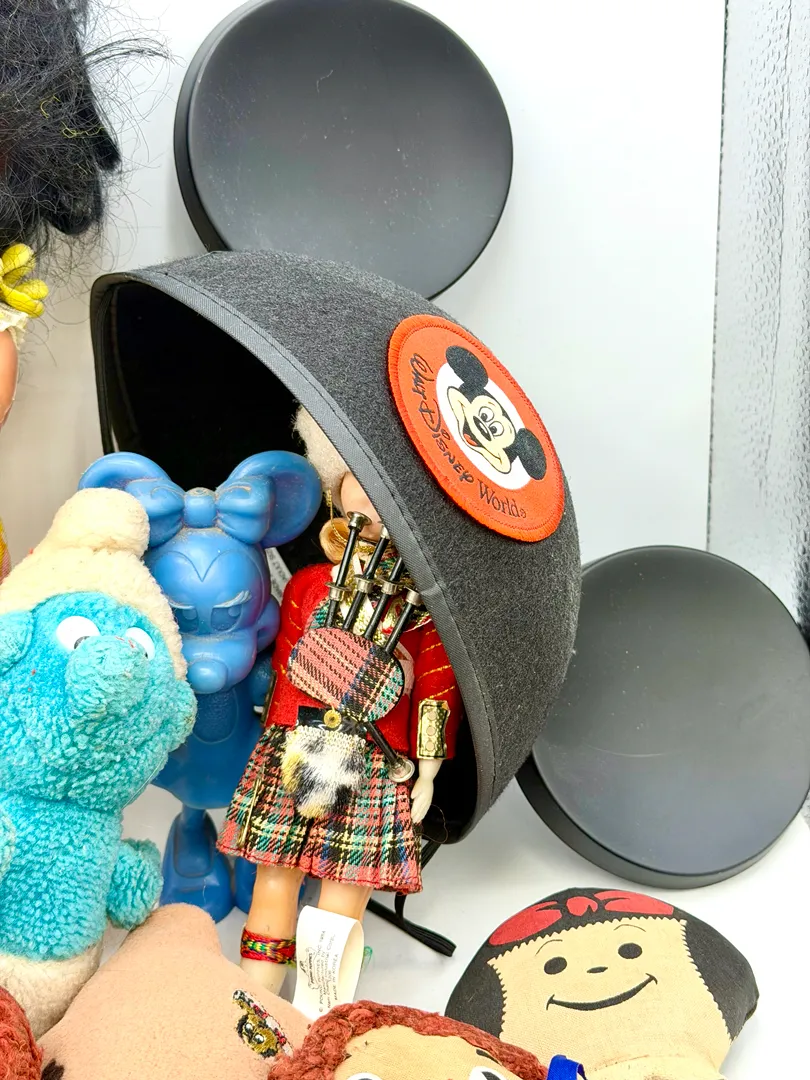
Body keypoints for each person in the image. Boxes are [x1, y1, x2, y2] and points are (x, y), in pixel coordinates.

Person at [218, 408, 464, 992]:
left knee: (342, 897)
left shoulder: (424, 614)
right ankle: (254, 1001)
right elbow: (286, 669)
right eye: (362, 482)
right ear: (336, 496)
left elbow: (436, 688)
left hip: (377, 758)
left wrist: (428, 770)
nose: (375, 505)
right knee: (274, 879)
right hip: (298, 741)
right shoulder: (309, 586)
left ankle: (319, 1005)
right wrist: (275, 740)